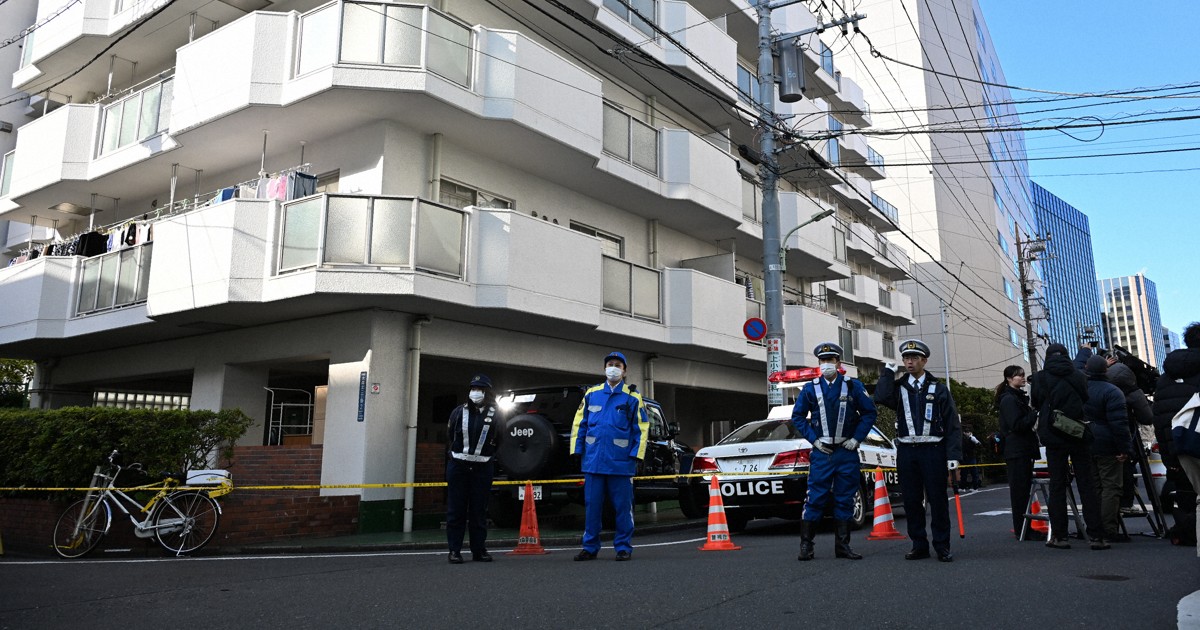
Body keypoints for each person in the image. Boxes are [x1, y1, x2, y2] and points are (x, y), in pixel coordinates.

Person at [874, 339, 962, 562]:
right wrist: (886, 372)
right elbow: (881, 397)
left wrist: (953, 456)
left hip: (933, 449)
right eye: (906, 358)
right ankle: (918, 544)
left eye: (914, 358)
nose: (909, 362)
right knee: (912, 500)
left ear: (924, 360)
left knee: (938, 499)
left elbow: (952, 424)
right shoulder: (899, 387)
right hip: (907, 451)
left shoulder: (938, 388)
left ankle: (942, 545)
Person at [790, 342, 877, 561]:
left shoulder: (852, 385)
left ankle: (843, 547)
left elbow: (869, 413)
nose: (826, 364)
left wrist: (857, 438)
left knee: (845, 498)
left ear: (838, 362)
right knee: (815, 497)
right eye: (822, 361)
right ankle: (806, 546)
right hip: (822, 452)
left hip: (846, 451)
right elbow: (797, 416)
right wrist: (813, 440)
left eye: (830, 360)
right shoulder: (811, 388)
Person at [569, 351, 649, 562]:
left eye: (617, 365)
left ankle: (623, 547)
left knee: (623, 508)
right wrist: (577, 451)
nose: (613, 368)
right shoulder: (591, 394)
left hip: (621, 463)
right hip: (593, 462)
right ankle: (590, 547)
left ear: (624, 371)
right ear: (604, 368)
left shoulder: (632, 397)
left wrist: (637, 455)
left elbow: (641, 427)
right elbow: (580, 425)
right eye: (609, 364)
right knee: (592, 507)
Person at [1031, 343, 1105, 550]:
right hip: (1077, 432)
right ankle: (1097, 536)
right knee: (1087, 484)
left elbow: (1036, 402)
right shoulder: (1079, 375)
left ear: (1047, 357)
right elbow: (1085, 398)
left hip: (1053, 435)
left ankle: (1060, 536)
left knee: (1057, 485)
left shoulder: (1039, 377)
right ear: (1066, 355)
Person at [445, 374, 500, 564]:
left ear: (488, 392)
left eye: (481, 389)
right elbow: (451, 436)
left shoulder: (496, 414)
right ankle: (454, 551)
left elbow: (499, 440)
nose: (476, 392)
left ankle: (479, 550)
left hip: (482, 468)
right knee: (456, 510)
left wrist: (489, 457)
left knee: (479, 511)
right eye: (474, 388)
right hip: (458, 466)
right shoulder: (458, 412)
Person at [1152, 322, 1200, 539]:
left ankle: (1189, 535)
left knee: (1186, 495)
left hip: (1177, 445)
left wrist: (1166, 454)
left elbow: (1159, 419)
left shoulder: (1165, 379)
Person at [1079, 354, 1132, 544]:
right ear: (1106, 370)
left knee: (1094, 487)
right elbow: (1119, 423)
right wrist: (1125, 448)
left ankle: (1093, 526)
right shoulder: (1112, 391)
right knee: (1111, 486)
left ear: (1086, 368)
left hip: (1085, 441)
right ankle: (1108, 528)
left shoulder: (1080, 389)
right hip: (1107, 443)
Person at [996, 365, 1039, 539]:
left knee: (1023, 491)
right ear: (1008, 378)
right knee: (1020, 492)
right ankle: (1024, 530)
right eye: (1018, 376)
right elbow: (1017, 425)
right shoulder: (1009, 399)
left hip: (1020, 450)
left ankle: (1025, 529)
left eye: (1022, 375)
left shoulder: (1016, 397)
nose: (1022, 378)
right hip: (1017, 450)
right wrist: (1033, 414)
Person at [959, 423, 982, 491]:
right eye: (966, 432)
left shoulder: (972, 438)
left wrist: (974, 440)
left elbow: (979, 445)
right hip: (966, 457)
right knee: (964, 473)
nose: (967, 433)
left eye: (968, 432)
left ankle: (975, 487)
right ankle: (963, 487)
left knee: (973, 472)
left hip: (971, 457)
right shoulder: (962, 438)